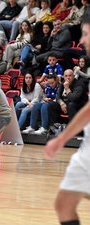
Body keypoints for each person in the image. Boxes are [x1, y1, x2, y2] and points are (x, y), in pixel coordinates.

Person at [44, 18, 90, 225]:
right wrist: (62, 138)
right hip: (86, 149)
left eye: (87, 34)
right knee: (64, 204)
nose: (82, 40)